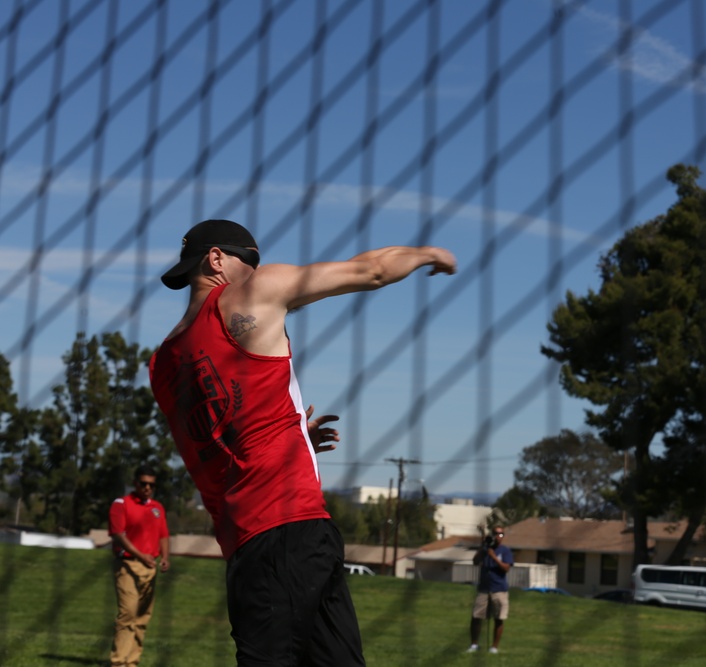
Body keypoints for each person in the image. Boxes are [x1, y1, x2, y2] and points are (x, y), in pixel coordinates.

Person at [148, 219, 456, 666]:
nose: (257, 270)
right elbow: (370, 270)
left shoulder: (162, 364)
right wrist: (429, 253)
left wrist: (291, 432)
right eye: (250, 260)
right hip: (292, 525)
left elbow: (215, 430)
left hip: (244, 544)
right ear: (217, 259)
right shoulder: (253, 293)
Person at [108, 464, 171, 667]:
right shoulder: (121, 504)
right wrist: (140, 555)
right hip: (127, 565)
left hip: (150, 567)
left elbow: (163, 535)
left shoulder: (157, 507)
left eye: (151, 485)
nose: (147, 488)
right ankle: (118, 662)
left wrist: (165, 557)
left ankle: (132, 661)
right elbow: (118, 534)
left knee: (142, 617)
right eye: (143, 483)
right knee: (127, 614)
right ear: (135, 483)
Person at [467, 526, 514, 654]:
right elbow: (475, 562)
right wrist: (482, 550)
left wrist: (494, 557)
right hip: (484, 588)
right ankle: (474, 645)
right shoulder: (485, 549)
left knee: (499, 618)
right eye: (496, 534)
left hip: (499, 589)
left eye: (501, 534)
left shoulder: (505, 551)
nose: (498, 536)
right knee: (476, 617)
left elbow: (506, 568)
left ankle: (494, 647)